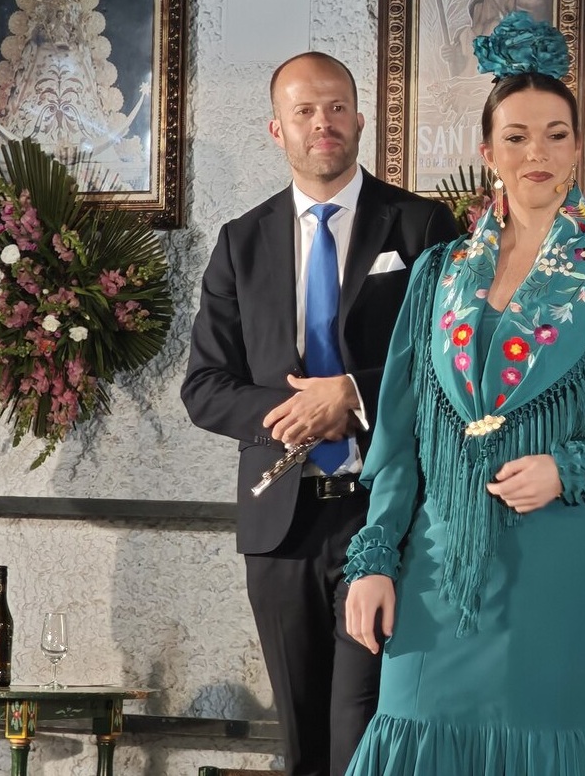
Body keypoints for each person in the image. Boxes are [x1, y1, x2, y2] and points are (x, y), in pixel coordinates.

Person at [340, 11, 585, 774]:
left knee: (536, 740)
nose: (536, 152)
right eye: (516, 136)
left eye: (556, 134)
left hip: (569, 546)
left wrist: (569, 469)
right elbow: (399, 435)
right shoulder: (438, 272)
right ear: (486, 152)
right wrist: (373, 558)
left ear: (578, 145)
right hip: (437, 554)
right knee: (408, 722)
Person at [182, 52, 460, 776]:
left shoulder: (423, 225)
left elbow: (450, 363)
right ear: (277, 129)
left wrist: (355, 395)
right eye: (304, 111)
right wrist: (296, 411)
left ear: (361, 118)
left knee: (365, 736)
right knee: (303, 743)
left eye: (336, 107)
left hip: (390, 517)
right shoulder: (241, 243)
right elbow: (205, 385)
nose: (322, 123)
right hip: (281, 529)